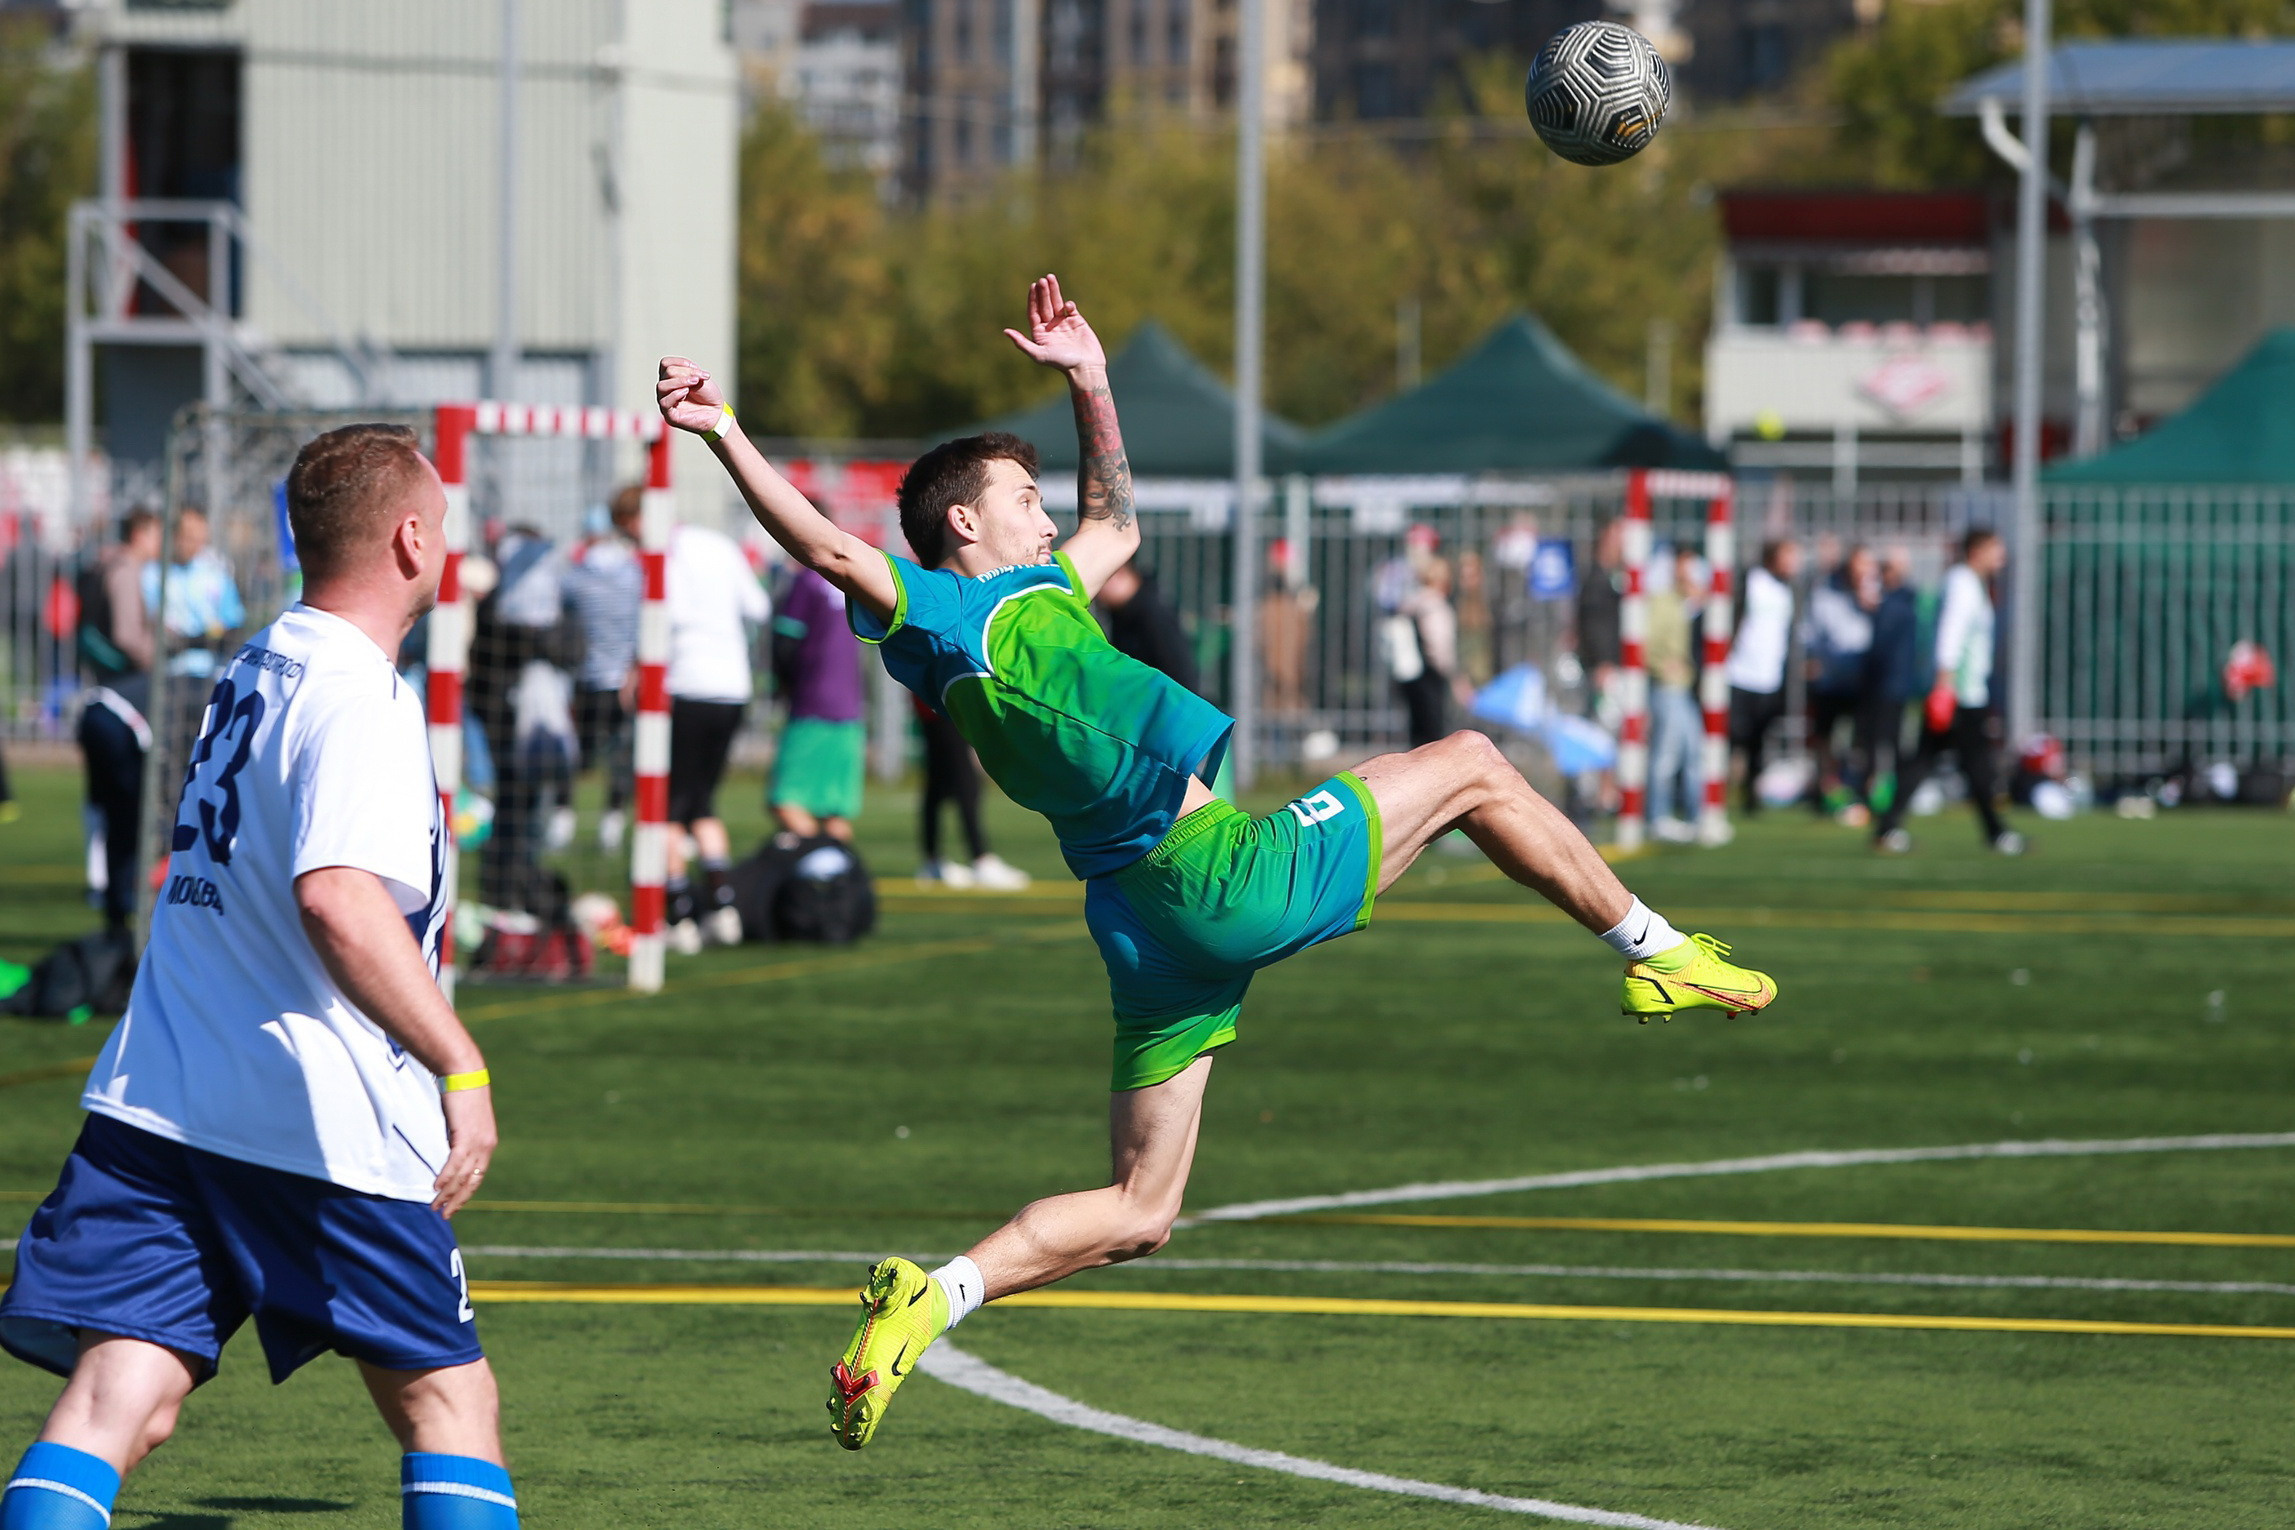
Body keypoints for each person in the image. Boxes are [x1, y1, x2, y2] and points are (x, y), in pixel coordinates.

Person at [656, 272, 1780, 1454]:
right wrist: (723, 428)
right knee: (1476, 765)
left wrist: (1092, 379)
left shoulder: (1037, 591)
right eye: (1024, 500)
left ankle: (931, 1300)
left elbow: (1119, 523)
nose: (1048, 519)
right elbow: (826, 544)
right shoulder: (943, 614)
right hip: (1210, 871)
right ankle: (1658, 951)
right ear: (964, 525)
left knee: (1140, 1211)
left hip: (1138, 919)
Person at [0, 425, 517, 1530]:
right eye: (446, 526)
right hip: (320, 1116)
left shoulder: (257, 660)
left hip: (165, 1098)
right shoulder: (362, 696)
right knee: (449, 1404)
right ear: (411, 540)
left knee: (117, 1396)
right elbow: (338, 900)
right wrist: (459, 1062)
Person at [1874, 528, 2021, 855]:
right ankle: (1996, 833)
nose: (2001, 556)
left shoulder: (1973, 584)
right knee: (1974, 764)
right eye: (1995, 549)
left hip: (1964, 690)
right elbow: (1950, 634)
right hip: (1959, 693)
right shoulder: (1962, 583)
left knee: (1931, 761)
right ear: (1976, 551)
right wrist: (1944, 685)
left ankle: (1888, 827)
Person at [664, 517, 769, 949]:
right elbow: (758, 607)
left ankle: (677, 916)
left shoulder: (668, 551)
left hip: (687, 683)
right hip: (732, 687)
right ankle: (722, 908)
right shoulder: (722, 546)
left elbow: (669, 612)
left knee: (668, 807)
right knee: (702, 803)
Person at [76, 509, 161, 934]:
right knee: (132, 812)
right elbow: (128, 634)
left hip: (101, 697)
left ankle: (114, 903)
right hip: (125, 704)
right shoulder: (124, 569)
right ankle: (124, 904)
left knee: (108, 811)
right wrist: (156, 658)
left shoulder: (100, 564)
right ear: (141, 533)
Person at [565, 487, 645, 852]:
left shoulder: (577, 575)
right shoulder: (634, 573)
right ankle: (612, 821)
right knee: (622, 759)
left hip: (587, 678)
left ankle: (563, 817)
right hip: (625, 680)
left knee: (578, 755)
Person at [769, 564, 867, 841]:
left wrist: (783, 685)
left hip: (812, 704)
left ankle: (817, 856)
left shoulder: (808, 581)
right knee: (834, 813)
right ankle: (839, 865)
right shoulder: (850, 579)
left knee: (786, 801)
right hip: (849, 708)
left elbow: (786, 641)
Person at [1725, 538, 1800, 815]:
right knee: (1732, 736)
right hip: (1739, 673)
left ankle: (1750, 795)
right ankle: (1720, 790)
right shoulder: (1751, 581)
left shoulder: (1790, 590)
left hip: (1770, 678)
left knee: (1759, 741)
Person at [1804, 544, 1877, 821]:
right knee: (1825, 740)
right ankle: (1828, 792)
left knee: (1864, 742)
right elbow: (1811, 633)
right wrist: (1812, 661)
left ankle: (1862, 792)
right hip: (1831, 682)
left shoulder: (1875, 595)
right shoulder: (1825, 595)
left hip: (1864, 683)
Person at [1643, 544, 1703, 842]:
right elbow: (1646, 641)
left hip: (1685, 686)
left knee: (1693, 752)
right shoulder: (1662, 601)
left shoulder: (1689, 602)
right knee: (1665, 755)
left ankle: (1696, 817)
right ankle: (1658, 816)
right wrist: (1662, 664)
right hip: (1666, 686)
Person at [1863, 548, 1924, 814]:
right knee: (1891, 743)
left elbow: (1880, 647)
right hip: (1898, 683)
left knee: (1883, 743)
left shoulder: (1892, 605)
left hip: (1888, 684)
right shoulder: (1907, 601)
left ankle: (1886, 794)